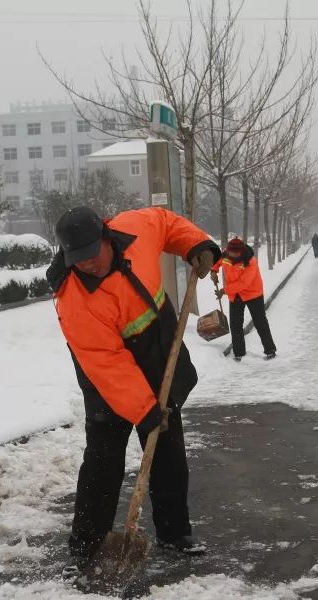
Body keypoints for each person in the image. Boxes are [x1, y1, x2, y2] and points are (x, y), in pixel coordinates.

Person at [47, 205, 221, 567]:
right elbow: (108, 366)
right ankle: (87, 544)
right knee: (103, 456)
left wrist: (196, 245)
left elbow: (167, 222)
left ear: (106, 238)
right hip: (107, 376)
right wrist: (144, 410)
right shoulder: (74, 300)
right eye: (77, 259)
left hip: (158, 355)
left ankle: (175, 534)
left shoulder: (135, 229)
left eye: (92, 254)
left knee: (168, 448)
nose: (87, 264)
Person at [212, 235, 277, 361]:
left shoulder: (250, 261)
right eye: (230, 252)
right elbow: (218, 261)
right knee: (235, 325)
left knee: (260, 322)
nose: (232, 255)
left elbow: (243, 283)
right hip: (235, 295)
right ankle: (239, 353)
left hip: (253, 294)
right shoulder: (226, 254)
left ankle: (270, 350)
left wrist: (224, 290)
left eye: (235, 253)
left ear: (240, 251)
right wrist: (213, 271)